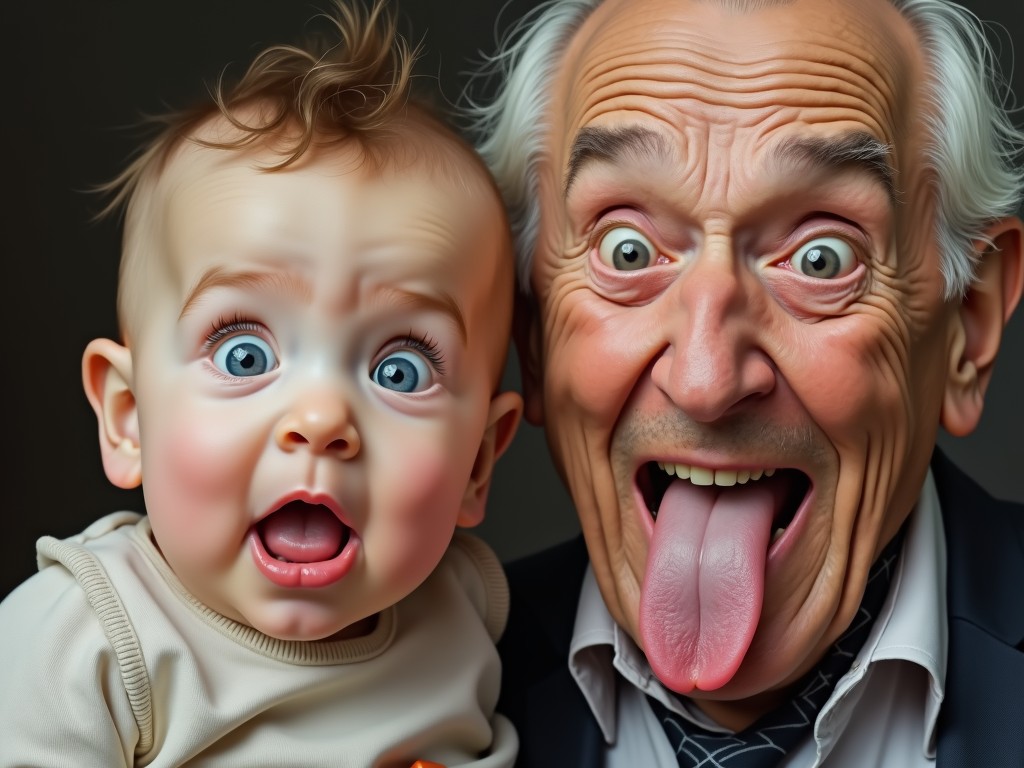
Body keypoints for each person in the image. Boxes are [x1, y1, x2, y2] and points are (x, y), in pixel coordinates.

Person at [466, 0, 1024, 765]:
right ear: (531, 330)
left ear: (967, 324)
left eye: (822, 258)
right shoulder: (412, 685)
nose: (705, 380)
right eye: (627, 251)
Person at [0, 1, 523, 766]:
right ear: (127, 416)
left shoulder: (462, 610)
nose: (319, 419)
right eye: (244, 356)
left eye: (398, 369)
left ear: (477, 461)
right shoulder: (86, 641)